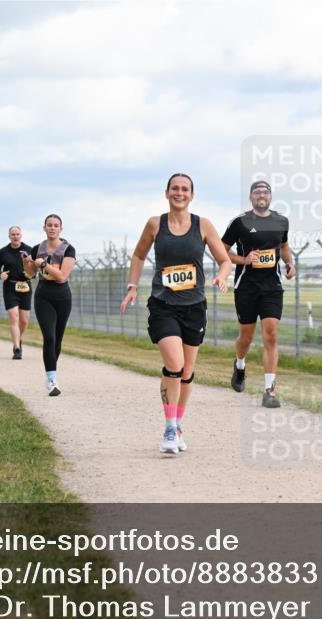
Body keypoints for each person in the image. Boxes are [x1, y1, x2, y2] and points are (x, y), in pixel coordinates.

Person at [120, 173, 231, 455]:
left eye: (184, 189)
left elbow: (225, 259)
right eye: (174, 188)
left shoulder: (203, 225)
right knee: (175, 364)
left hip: (194, 307)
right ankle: (169, 427)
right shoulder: (155, 224)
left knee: (187, 372)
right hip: (163, 304)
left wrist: (222, 276)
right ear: (166, 192)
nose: (179, 193)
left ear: (191, 195)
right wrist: (132, 286)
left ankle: (178, 423)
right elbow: (138, 255)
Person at [221, 180, 295, 408]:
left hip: (272, 286)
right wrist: (243, 260)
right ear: (251, 197)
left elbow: (283, 245)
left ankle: (269, 391)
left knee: (271, 335)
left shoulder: (281, 221)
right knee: (247, 338)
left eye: (265, 192)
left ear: (270, 197)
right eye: (257, 192)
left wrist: (290, 263)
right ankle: (240, 365)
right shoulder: (240, 222)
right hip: (246, 287)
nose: (261, 195)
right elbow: (222, 250)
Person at [22, 214, 76, 395]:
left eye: (56, 225)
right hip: (43, 296)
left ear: (61, 228)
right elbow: (30, 274)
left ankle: (51, 372)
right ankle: (52, 380)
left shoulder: (69, 249)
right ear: (44, 227)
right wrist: (27, 262)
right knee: (49, 337)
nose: (52, 228)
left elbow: (61, 277)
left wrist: (44, 264)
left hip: (62, 297)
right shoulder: (38, 248)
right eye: (49, 225)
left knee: (58, 340)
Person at [0, 226, 34, 359]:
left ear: (21, 235)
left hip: (25, 287)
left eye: (17, 234)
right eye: (13, 234)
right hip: (10, 287)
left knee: (24, 320)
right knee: (14, 317)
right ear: (9, 236)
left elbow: (35, 268)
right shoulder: (3, 252)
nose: (15, 236)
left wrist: (32, 274)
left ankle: (18, 339)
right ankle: (16, 348)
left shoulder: (30, 250)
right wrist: (0, 275)